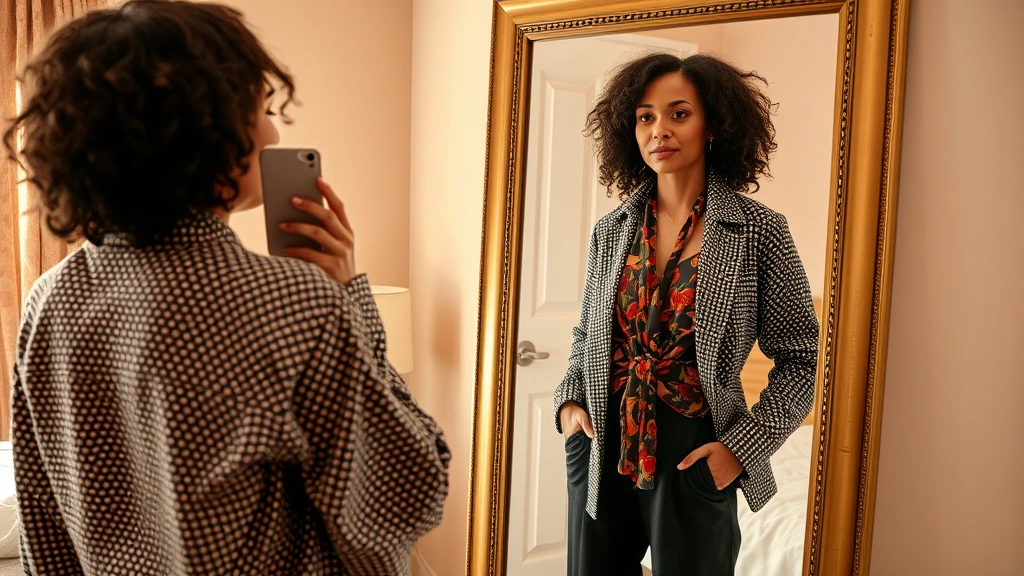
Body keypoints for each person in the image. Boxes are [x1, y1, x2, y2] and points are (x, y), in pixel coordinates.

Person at [2, 1, 449, 574]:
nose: (273, 128)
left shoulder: (49, 300)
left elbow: (43, 522)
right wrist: (348, 298)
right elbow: (398, 500)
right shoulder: (294, 303)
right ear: (210, 127)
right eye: (262, 107)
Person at [554, 52, 819, 576]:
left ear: (714, 124)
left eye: (679, 114)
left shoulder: (759, 231)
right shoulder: (612, 230)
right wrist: (569, 403)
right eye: (645, 117)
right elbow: (589, 331)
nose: (659, 130)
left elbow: (802, 360)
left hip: (693, 448)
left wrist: (741, 450)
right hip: (603, 436)